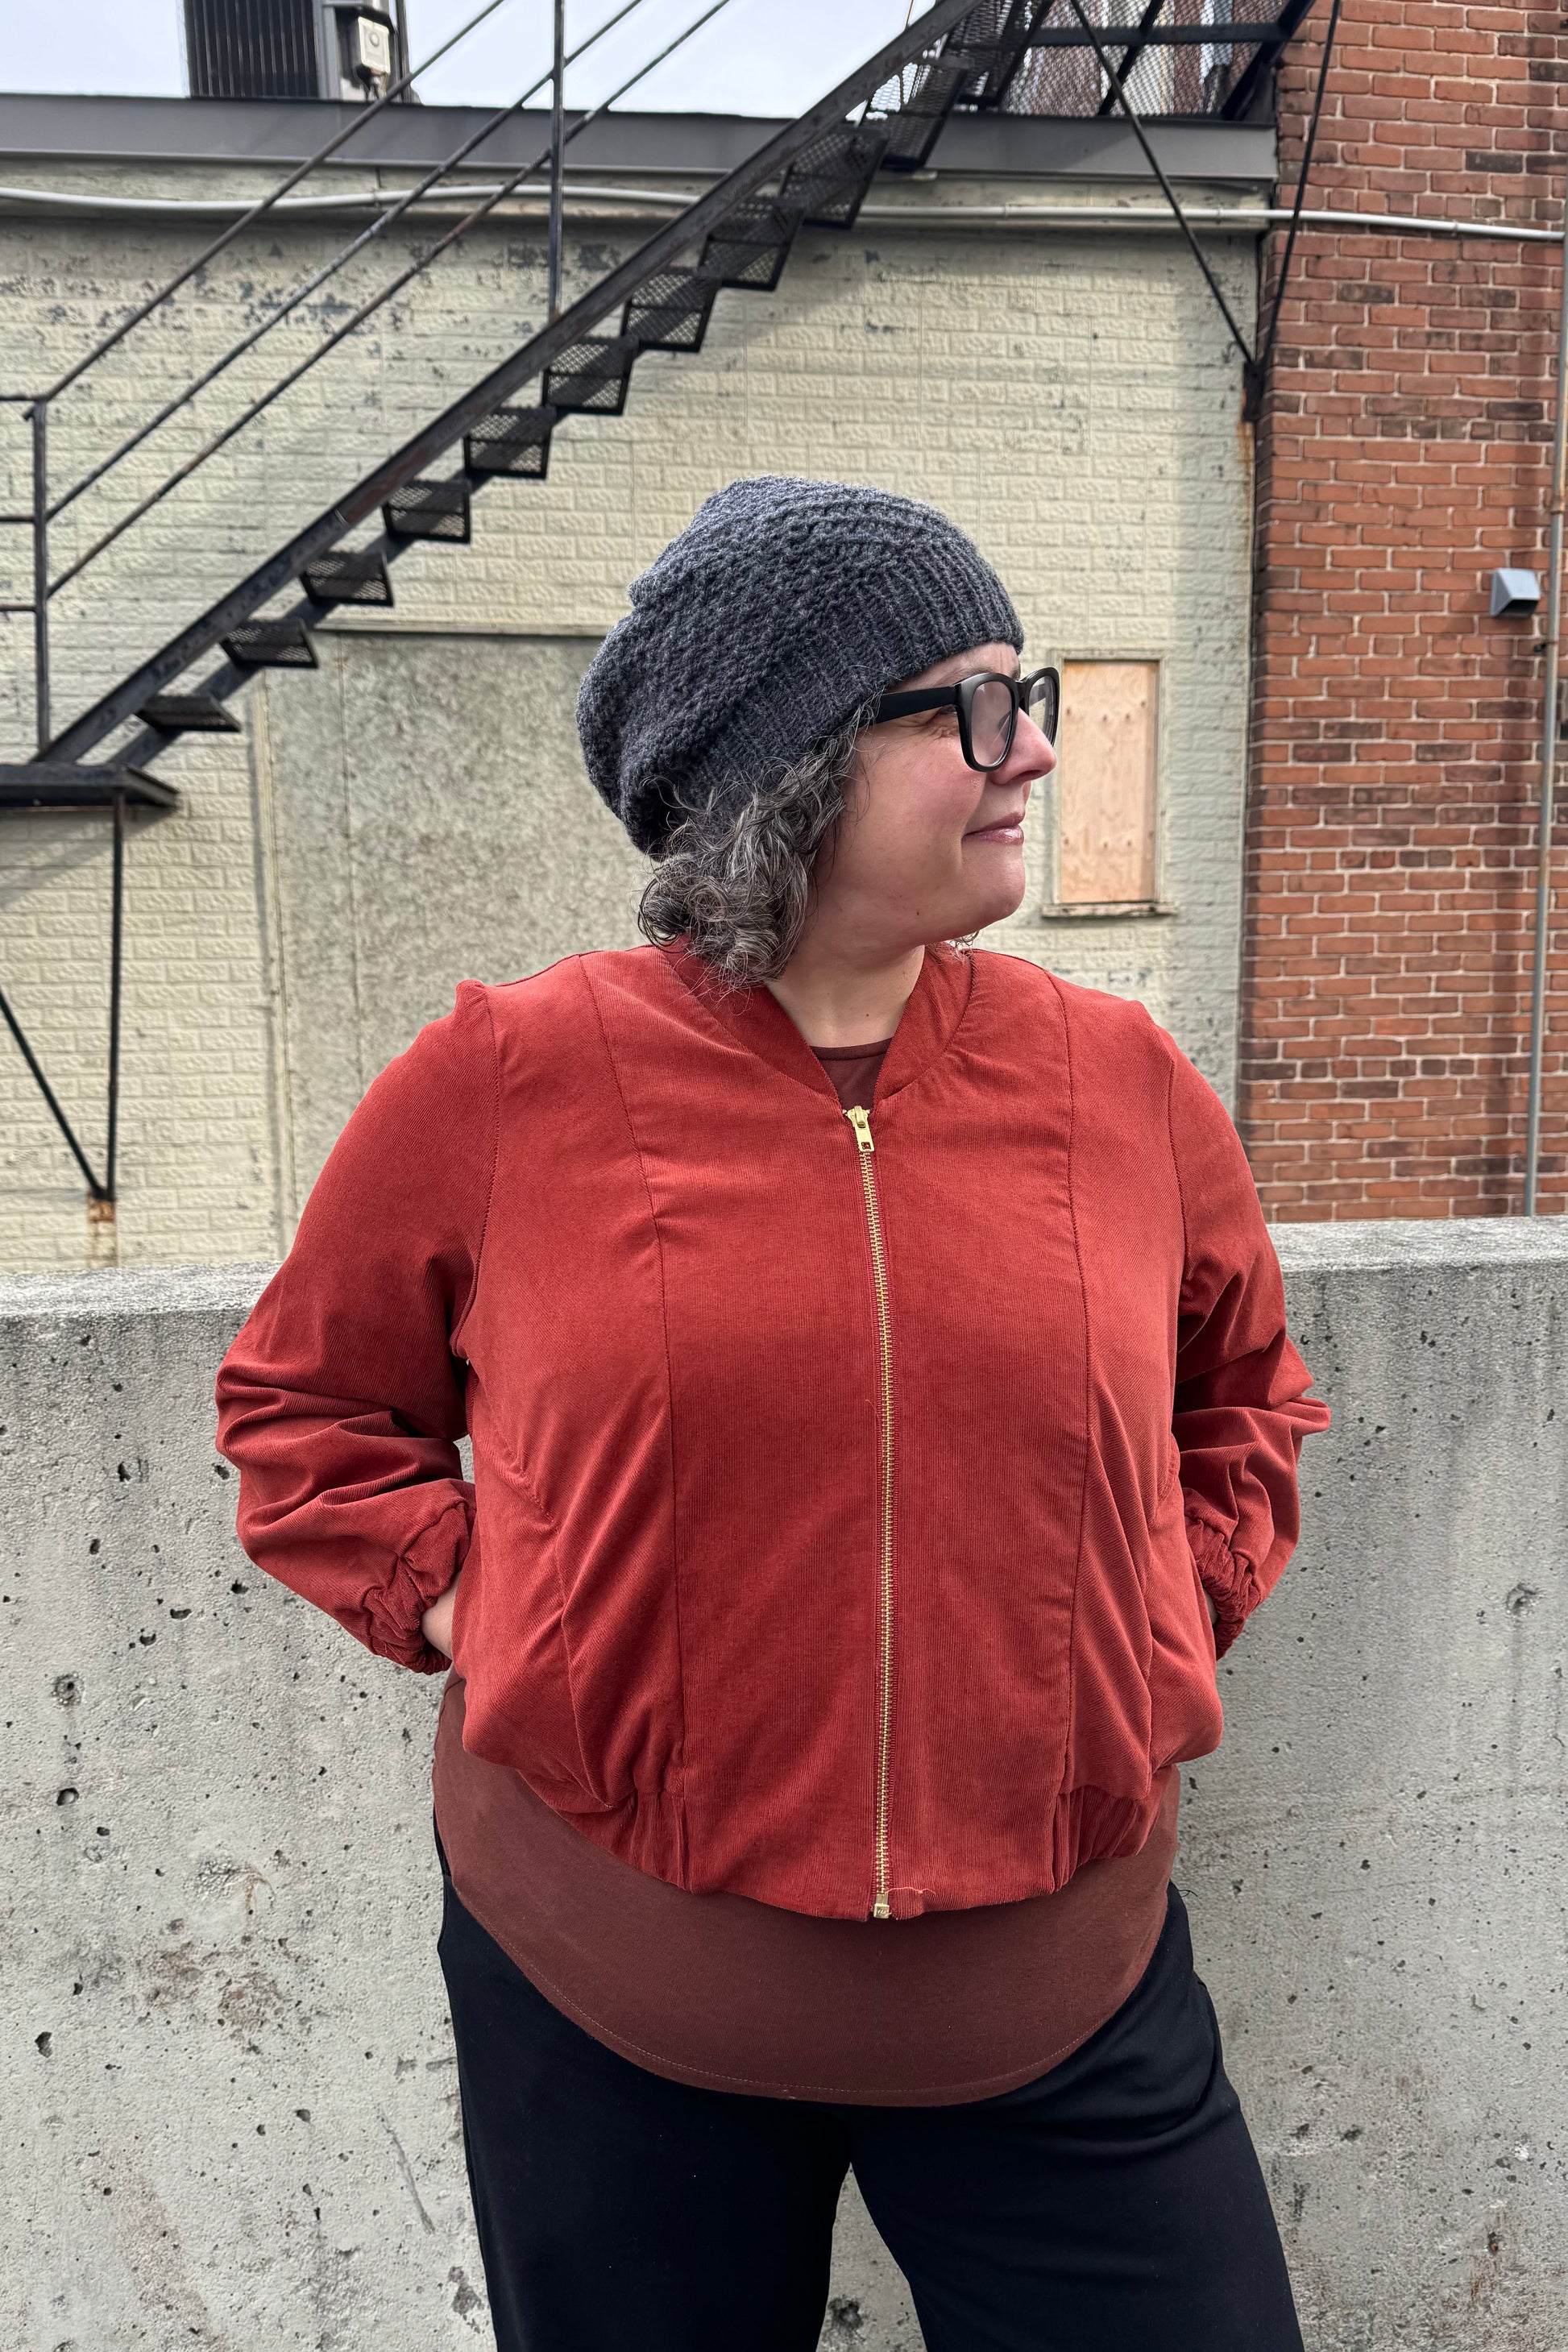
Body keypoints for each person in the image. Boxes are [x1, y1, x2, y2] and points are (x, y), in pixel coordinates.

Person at [216, 475, 1330, 2352]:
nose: (1033, 747)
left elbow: (1244, 1396)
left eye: (1024, 689)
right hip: (611, 2000)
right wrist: (492, 1610)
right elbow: (306, 1413)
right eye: (969, 704)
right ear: (796, 763)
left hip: (1057, 2004)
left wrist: (1148, 1626)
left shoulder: (1117, 1077)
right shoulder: (512, 1076)